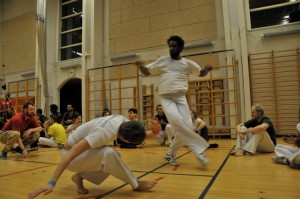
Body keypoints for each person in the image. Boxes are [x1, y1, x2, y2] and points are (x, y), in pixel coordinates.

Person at [28, 114, 158, 199]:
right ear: (126, 140)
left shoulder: (122, 121)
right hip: (69, 155)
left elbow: (140, 134)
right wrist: (51, 183)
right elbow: (70, 153)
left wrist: (153, 132)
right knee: (110, 154)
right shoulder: (102, 134)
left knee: (111, 157)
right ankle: (135, 184)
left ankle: (79, 177)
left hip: (82, 153)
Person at [137, 35, 212, 168]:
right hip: (166, 98)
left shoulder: (187, 63)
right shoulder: (163, 61)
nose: (171, 48)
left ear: (180, 48)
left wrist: (206, 69)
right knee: (177, 122)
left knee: (188, 127)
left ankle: (170, 153)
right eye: (170, 46)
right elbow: (147, 72)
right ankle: (199, 152)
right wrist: (141, 65)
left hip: (181, 97)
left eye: (174, 46)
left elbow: (200, 73)